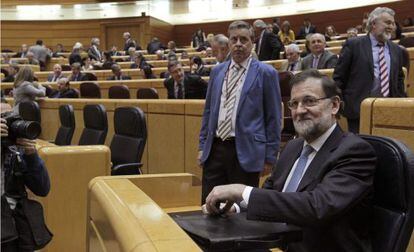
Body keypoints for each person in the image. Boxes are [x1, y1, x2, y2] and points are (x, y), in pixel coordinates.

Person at [203, 70, 377, 252]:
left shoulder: (355, 152)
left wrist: (242, 191)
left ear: (334, 106)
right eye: (294, 104)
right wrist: (236, 207)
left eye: (309, 101)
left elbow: (317, 207)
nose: (300, 111)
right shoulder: (292, 147)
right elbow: (271, 193)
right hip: (277, 244)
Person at [198, 20, 282, 204]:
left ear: (252, 42)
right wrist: (203, 145)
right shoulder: (217, 71)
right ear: (228, 42)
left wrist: (270, 157)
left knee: (239, 210)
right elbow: (209, 111)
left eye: (243, 39)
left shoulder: (266, 73)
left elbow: (274, 118)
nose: (238, 44)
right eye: (234, 39)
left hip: (246, 151)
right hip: (215, 149)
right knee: (209, 204)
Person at [333, 7, 406, 133]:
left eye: (393, 23)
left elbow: (399, 79)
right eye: (388, 22)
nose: (392, 26)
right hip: (357, 110)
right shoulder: (354, 44)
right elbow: (339, 77)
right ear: (373, 24)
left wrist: (400, 103)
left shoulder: (397, 50)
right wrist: (341, 104)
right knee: (360, 148)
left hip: (388, 110)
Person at [1, 101, 51, 252]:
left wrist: (32, 156)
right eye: (3, 118)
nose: (10, 123)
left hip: (17, 226)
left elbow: (43, 189)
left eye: (11, 117)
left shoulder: (18, 149)